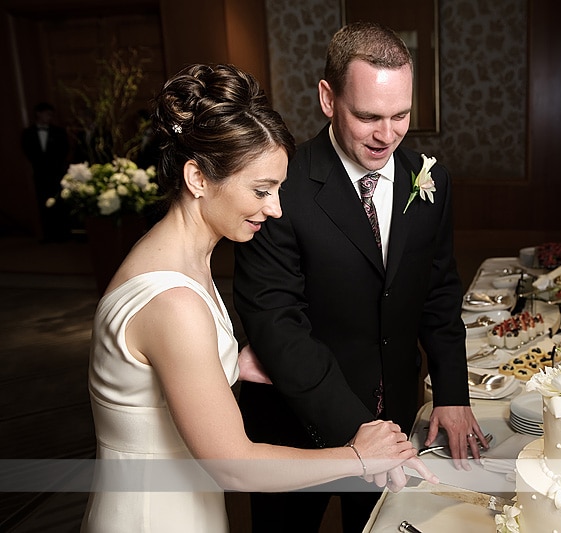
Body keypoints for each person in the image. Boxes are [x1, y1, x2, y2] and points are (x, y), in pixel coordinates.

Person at [80, 63, 436, 533]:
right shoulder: (174, 302)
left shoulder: (177, 257)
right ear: (198, 178)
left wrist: (229, 363)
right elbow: (234, 465)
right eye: (261, 190)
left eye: (279, 189)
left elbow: (163, 371)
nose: (276, 208)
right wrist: (356, 456)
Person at [233, 22, 488, 532]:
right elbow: (277, 323)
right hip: (295, 425)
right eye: (368, 116)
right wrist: (359, 433)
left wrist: (453, 393)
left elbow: (438, 290)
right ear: (329, 98)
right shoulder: (280, 184)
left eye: (400, 115)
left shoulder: (430, 177)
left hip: (395, 409)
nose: (387, 134)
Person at [21, 101, 70, 241]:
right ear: (38, 114)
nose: (50, 117)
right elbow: (29, 152)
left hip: (57, 174)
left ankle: (63, 235)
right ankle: (48, 235)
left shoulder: (59, 132)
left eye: (51, 114)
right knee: (43, 205)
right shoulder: (28, 134)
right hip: (40, 174)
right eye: (47, 114)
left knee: (60, 204)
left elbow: (64, 151)